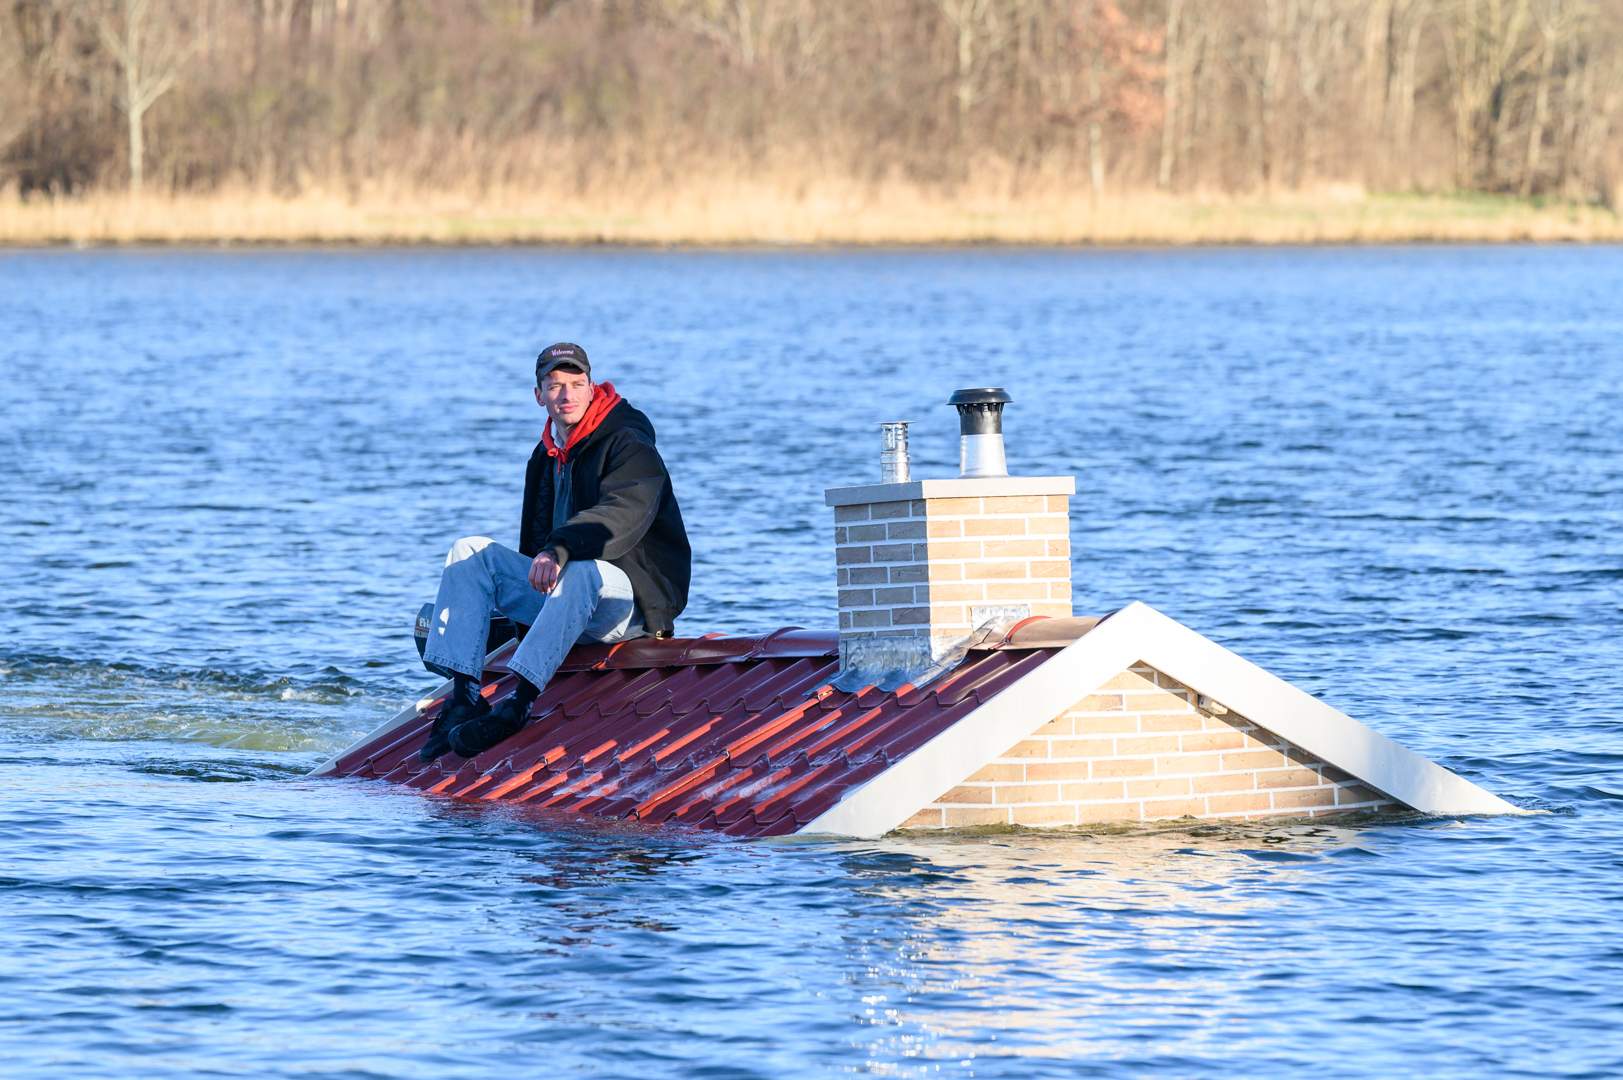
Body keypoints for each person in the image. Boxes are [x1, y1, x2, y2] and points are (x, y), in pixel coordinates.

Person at [418, 342, 691, 762]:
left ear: (592, 387)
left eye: (576, 384)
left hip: (628, 606)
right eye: (555, 385)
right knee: (470, 551)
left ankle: (520, 703)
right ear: (539, 395)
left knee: (582, 568)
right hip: (564, 601)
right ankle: (464, 698)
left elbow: (619, 514)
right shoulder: (545, 455)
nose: (566, 395)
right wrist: (532, 596)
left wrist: (559, 548)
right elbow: (533, 544)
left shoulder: (629, 443)